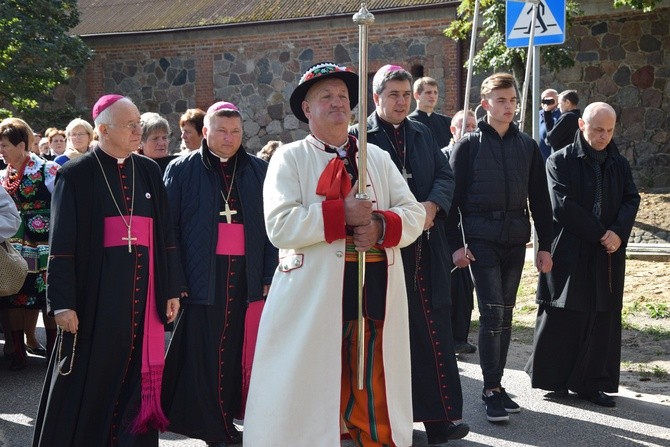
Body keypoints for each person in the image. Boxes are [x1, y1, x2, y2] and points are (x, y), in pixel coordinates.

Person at [244, 62, 425, 447]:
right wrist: (339, 214)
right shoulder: (289, 158)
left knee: (374, 371)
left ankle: (377, 440)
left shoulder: (377, 158)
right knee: (314, 375)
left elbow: (413, 213)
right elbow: (279, 226)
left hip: (375, 282)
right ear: (307, 109)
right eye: (325, 96)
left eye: (342, 96)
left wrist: (378, 225)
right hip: (313, 293)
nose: (337, 102)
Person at [32, 95, 182, 446]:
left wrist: (171, 287)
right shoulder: (75, 175)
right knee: (91, 381)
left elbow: (165, 235)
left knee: (135, 381)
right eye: (130, 125)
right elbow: (62, 246)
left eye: (138, 124)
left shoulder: (147, 170)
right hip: (95, 300)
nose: (137, 130)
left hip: (143, 298)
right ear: (102, 130)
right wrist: (63, 303)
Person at [351, 64, 468, 445]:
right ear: (376, 98)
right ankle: (389, 422)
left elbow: (445, 176)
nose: (401, 102)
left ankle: (440, 421)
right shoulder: (360, 138)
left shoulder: (422, 132)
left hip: (426, 247)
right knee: (391, 337)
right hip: (385, 252)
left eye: (405, 95)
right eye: (393, 95)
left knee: (433, 330)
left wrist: (432, 207)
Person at [161, 101, 277, 447]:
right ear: (205, 132)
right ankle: (212, 425)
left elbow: (273, 226)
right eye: (222, 131)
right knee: (206, 352)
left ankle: (228, 418)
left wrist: (269, 272)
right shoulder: (181, 169)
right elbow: (170, 230)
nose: (229, 139)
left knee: (236, 350)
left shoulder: (259, 170)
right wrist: (177, 279)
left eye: (236, 132)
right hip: (202, 277)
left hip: (246, 274)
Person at [447, 72, 554, 423]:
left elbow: (540, 199)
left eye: (513, 101)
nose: (508, 107)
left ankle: (496, 383)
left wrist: (545, 246)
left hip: (515, 239)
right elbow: (451, 201)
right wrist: (456, 246)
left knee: (505, 317)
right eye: (501, 101)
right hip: (480, 242)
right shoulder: (469, 145)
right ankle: (490, 389)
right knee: (492, 314)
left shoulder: (526, 145)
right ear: (486, 104)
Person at [525, 102, 640, 408]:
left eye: (610, 130)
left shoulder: (619, 163)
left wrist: (617, 232)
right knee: (564, 312)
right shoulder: (559, 161)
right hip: (571, 247)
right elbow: (562, 204)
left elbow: (631, 198)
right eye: (598, 129)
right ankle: (556, 380)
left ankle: (593, 383)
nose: (604, 136)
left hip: (608, 252)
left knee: (601, 315)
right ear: (581, 126)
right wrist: (600, 233)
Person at [0, 118, 59, 370]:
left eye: (4, 145)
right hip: (15, 247)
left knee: (48, 295)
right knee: (14, 294)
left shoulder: (48, 170)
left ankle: (56, 350)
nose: (1, 151)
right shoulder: (5, 174)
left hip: (44, 244)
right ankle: (16, 349)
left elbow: (63, 204)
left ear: (22, 145)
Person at [442, 109, 478, 355]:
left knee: (466, 288)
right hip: (448, 229)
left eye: (474, 127)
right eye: (466, 127)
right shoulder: (444, 155)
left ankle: (460, 335)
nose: (471, 131)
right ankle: (447, 337)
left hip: (471, 228)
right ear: (454, 131)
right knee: (449, 286)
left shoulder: (480, 154)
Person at [408, 76, 453, 148]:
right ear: (416, 95)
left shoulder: (447, 122)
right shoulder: (409, 123)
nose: (433, 96)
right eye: (428, 92)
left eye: (435, 92)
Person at [538, 89, 561, 161]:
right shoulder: (538, 114)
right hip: (539, 157)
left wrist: (547, 112)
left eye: (550, 100)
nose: (547, 102)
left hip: (552, 157)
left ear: (557, 101)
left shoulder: (561, 115)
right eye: (544, 100)